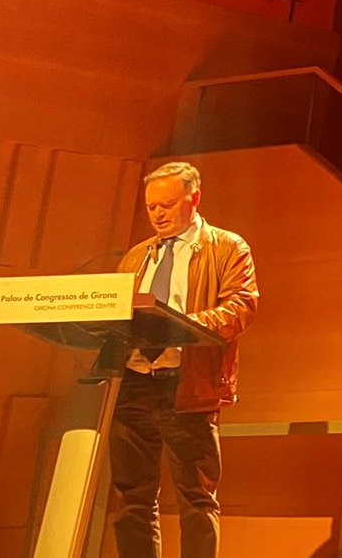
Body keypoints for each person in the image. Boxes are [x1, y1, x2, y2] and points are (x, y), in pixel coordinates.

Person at [110, 162, 260, 558]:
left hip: (188, 384)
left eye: (167, 205)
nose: (158, 214)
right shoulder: (137, 255)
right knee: (132, 497)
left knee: (196, 498)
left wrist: (180, 326)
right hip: (134, 381)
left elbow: (241, 307)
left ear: (194, 198)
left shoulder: (226, 247)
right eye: (151, 207)